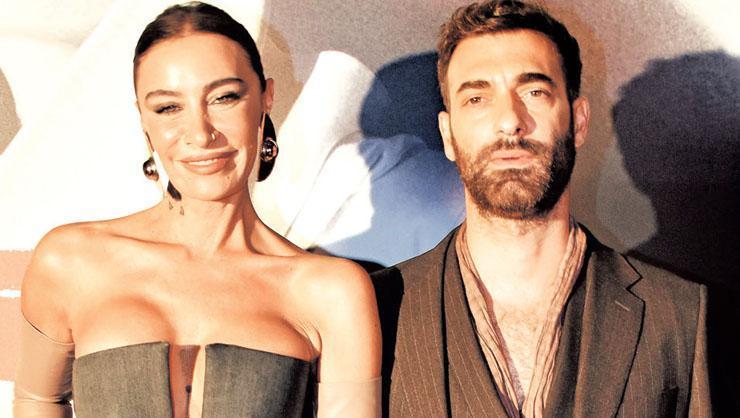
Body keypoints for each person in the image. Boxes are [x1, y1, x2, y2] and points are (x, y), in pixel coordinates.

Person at [13, 3, 381, 417]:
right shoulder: (70, 260)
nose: (201, 134)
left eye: (224, 98)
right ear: (143, 119)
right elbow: (38, 398)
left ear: (266, 98)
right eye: (168, 107)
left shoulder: (331, 291)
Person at [372, 1, 711, 416]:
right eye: (477, 98)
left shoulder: (677, 314)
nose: (510, 121)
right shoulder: (376, 311)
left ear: (578, 121)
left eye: (534, 92)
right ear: (447, 135)